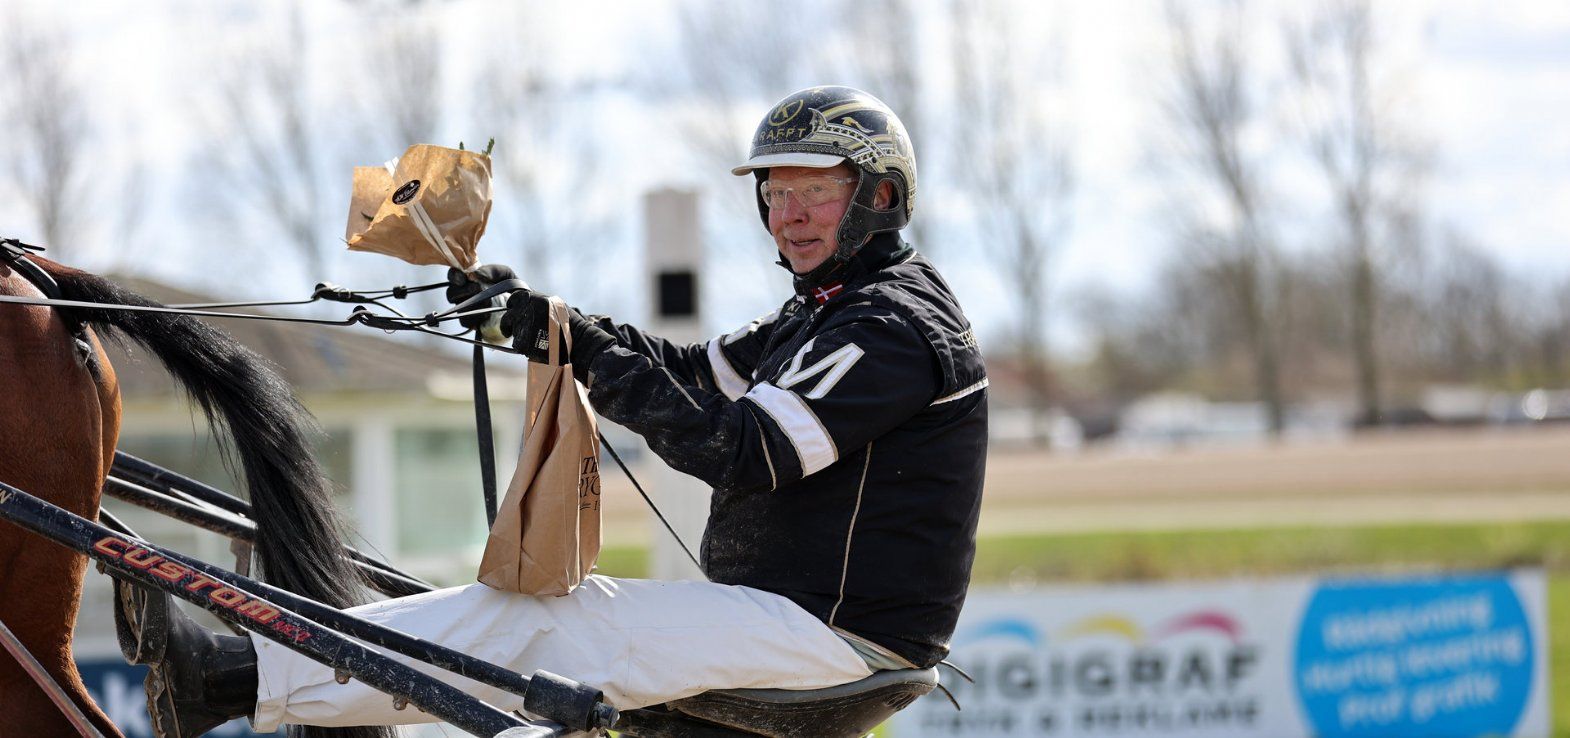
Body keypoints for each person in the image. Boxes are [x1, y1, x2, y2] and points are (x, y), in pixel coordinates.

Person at [126, 85, 987, 736]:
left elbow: (743, 450)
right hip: (788, 616)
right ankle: (246, 672)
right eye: (775, 193)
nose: (787, 215)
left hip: (838, 640)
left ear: (877, 196)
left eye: (815, 193)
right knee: (529, 618)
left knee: (554, 617)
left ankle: (231, 675)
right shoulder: (828, 306)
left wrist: (579, 349)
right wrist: (548, 324)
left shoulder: (892, 326)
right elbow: (691, 371)